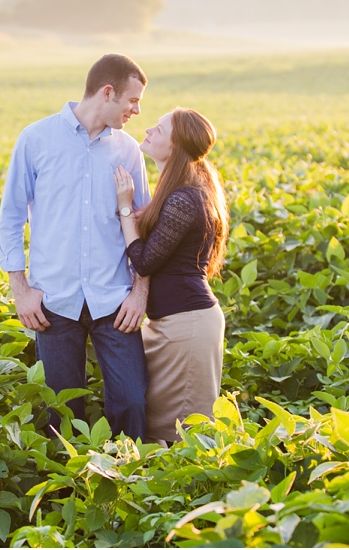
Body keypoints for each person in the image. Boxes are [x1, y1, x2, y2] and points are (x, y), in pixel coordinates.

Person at [0, 54, 152, 440]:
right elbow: (11, 219)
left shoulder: (129, 150)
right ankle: (67, 494)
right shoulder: (36, 139)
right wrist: (22, 292)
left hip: (115, 302)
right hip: (53, 302)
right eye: (133, 101)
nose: (137, 110)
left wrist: (140, 294)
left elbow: (144, 227)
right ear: (108, 92)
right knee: (60, 415)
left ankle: (128, 488)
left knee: (133, 402)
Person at [113, 107, 229, 444]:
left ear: (175, 146)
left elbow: (145, 262)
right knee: (158, 425)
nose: (148, 129)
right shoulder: (177, 191)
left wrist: (124, 209)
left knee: (180, 433)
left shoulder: (184, 198)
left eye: (160, 129)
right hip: (172, 325)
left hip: (188, 326)